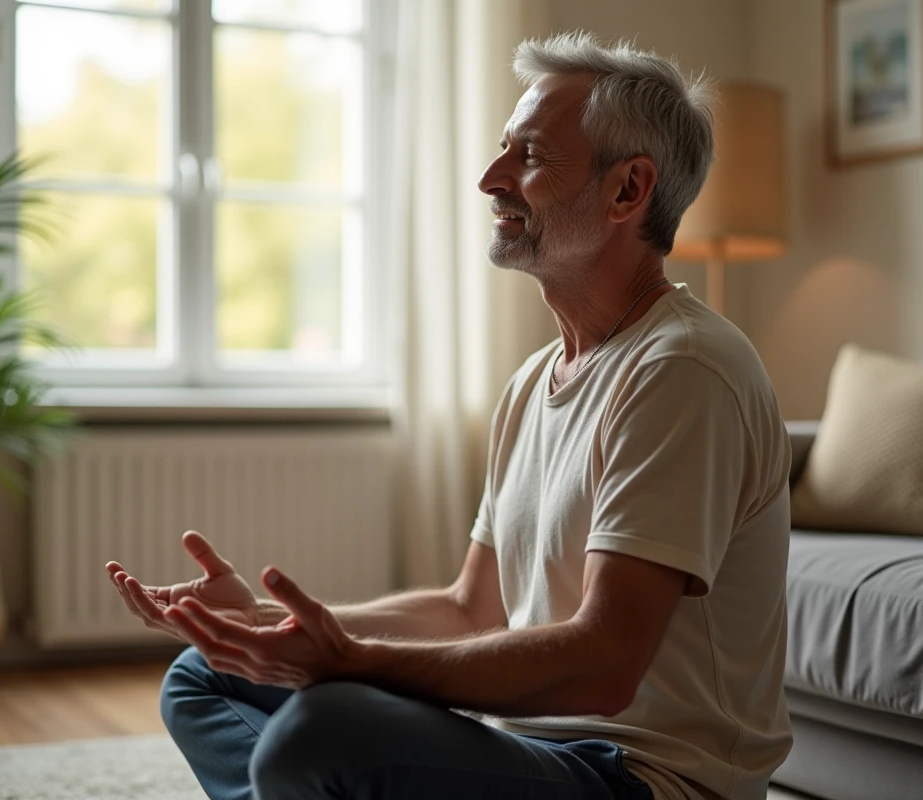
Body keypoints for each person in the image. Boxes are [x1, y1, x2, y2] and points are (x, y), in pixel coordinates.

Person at [106, 31, 793, 800]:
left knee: (320, 732)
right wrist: (269, 624)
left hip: (637, 779)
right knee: (203, 675)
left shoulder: (683, 369)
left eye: (528, 156)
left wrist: (351, 664)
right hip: (529, 753)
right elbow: (469, 610)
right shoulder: (533, 382)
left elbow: (607, 666)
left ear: (627, 191)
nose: (489, 178)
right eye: (502, 149)